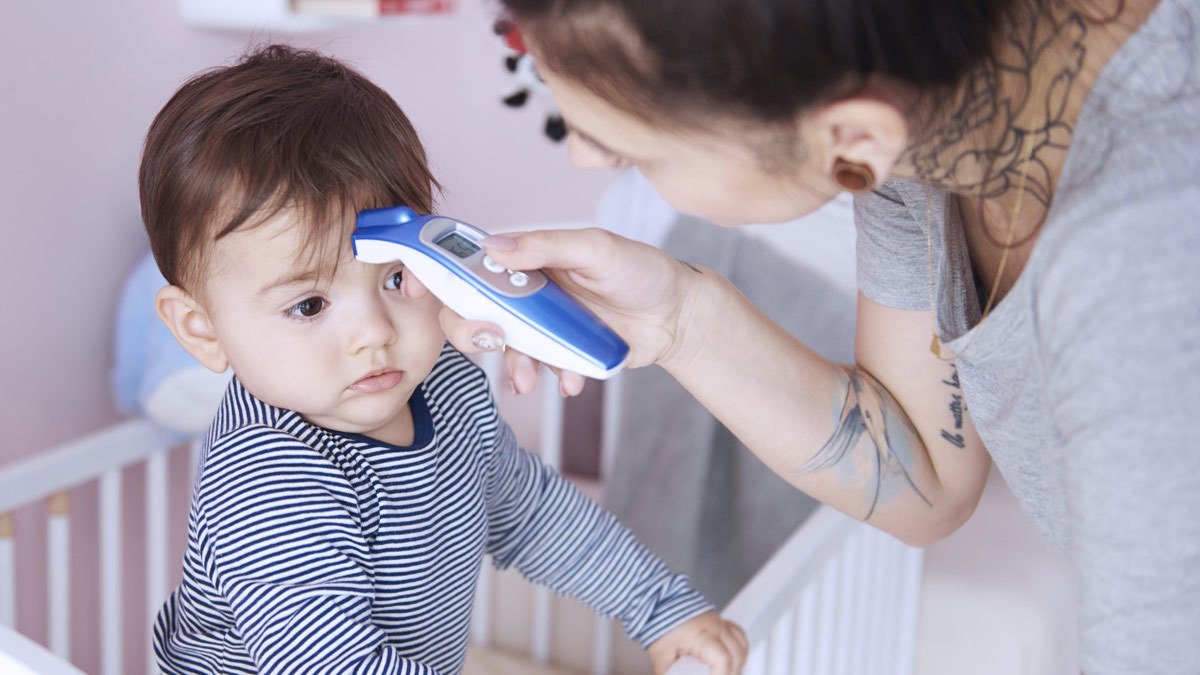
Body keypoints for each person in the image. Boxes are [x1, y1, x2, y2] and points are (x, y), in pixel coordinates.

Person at [428, 1, 1200, 673]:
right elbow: (924, 471)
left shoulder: (1141, 258)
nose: (581, 156)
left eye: (640, 151)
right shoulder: (927, 130)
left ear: (850, 137)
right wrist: (678, 318)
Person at [139, 44, 747, 675]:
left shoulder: (448, 385)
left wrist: (661, 608)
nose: (373, 333)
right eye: (310, 306)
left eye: (397, 278)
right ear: (201, 331)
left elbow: (533, 515)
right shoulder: (268, 478)